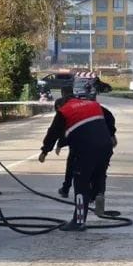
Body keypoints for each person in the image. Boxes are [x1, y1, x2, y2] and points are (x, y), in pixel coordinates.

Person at [39, 94, 115, 230]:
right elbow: (109, 117)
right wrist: (111, 134)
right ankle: (99, 194)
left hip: (86, 148)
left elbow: (54, 132)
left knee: (81, 184)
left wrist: (45, 150)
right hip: (105, 146)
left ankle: (78, 221)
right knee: (99, 173)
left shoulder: (64, 111)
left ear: (60, 106)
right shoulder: (93, 105)